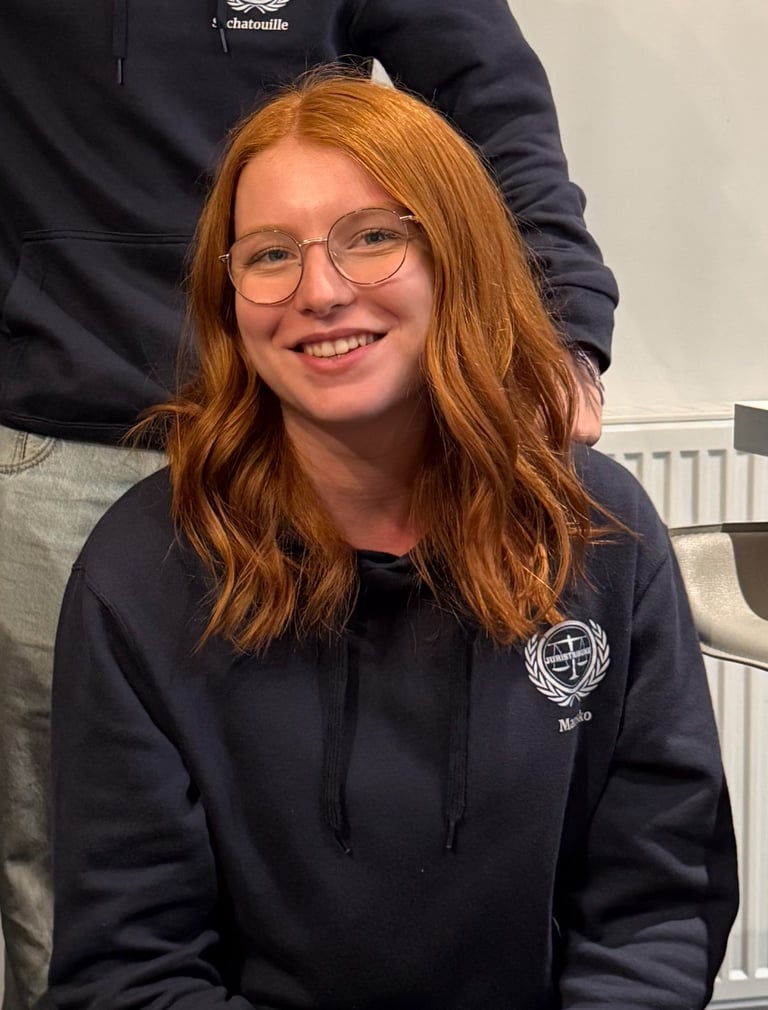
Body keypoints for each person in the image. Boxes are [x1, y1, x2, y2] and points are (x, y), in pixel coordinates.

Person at [47, 72, 736, 1010]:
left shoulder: (599, 531)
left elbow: (655, 909)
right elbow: (134, 967)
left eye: (371, 237)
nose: (320, 291)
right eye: (270, 254)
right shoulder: (142, 572)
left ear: (459, 255)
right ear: (228, 297)